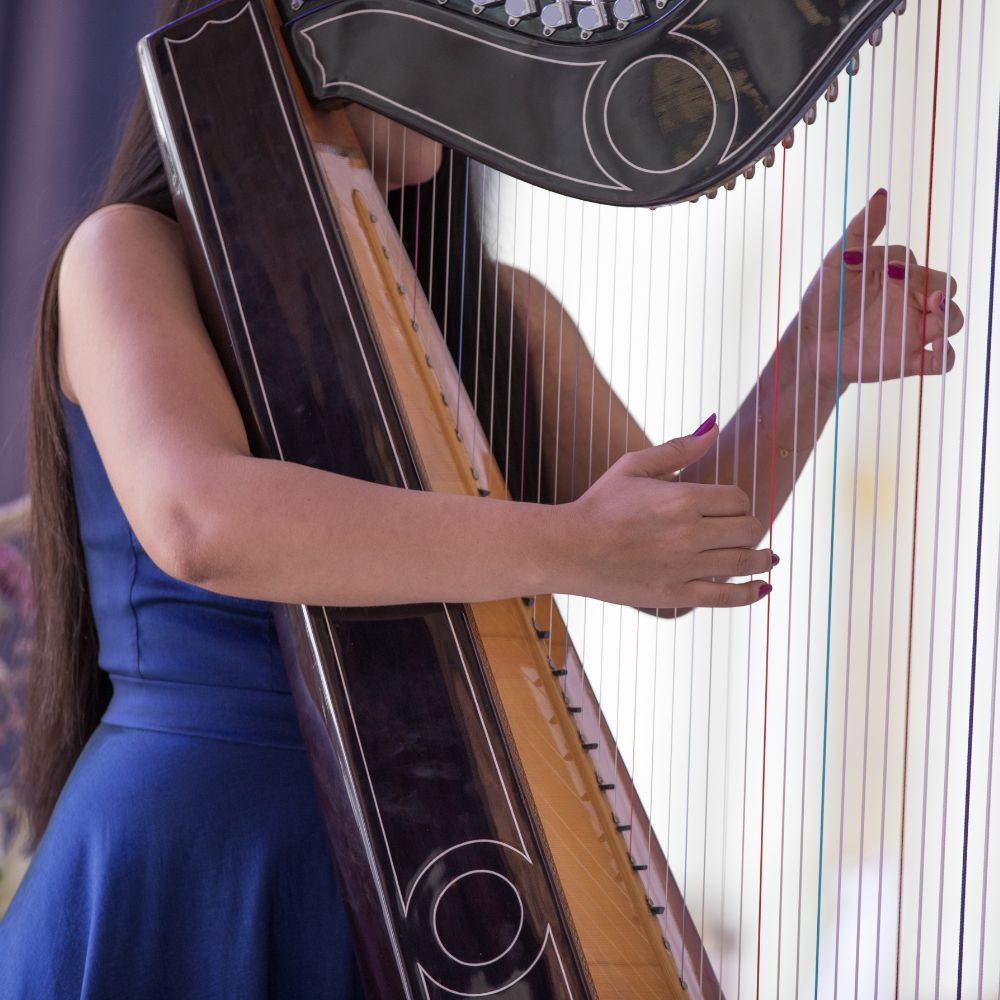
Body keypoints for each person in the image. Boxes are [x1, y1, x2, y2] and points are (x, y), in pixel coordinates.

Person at [0, 0, 964, 994]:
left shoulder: (501, 312)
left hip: (419, 848)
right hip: (192, 853)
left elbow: (672, 542)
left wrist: (813, 362)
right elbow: (198, 521)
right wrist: (568, 545)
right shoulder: (124, 252)